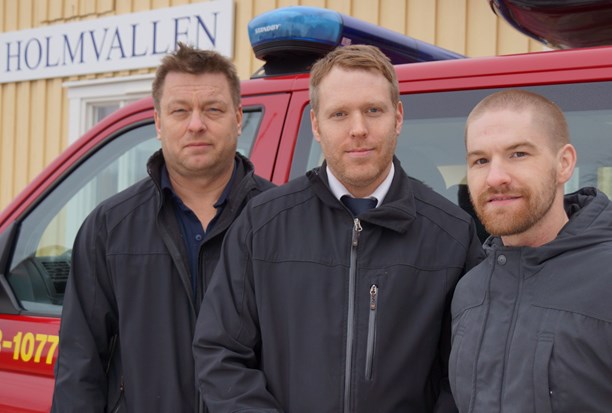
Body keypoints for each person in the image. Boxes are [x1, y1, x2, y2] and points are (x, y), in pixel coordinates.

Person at [193, 44, 483, 413]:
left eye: (373, 111)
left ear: (397, 117)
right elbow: (221, 353)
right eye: (340, 114)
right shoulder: (261, 224)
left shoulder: (452, 234)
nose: (358, 129)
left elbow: (465, 374)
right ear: (316, 124)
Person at [51, 43, 273, 412]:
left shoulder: (280, 220)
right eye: (180, 111)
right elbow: (80, 365)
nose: (196, 124)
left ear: (237, 117)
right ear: (158, 122)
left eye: (213, 109)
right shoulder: (109, 228)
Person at [450, 89, 612, 412]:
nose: (495, 177)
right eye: (480, 160)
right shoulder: (469, 292)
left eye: (518, 154)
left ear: (564, 163)